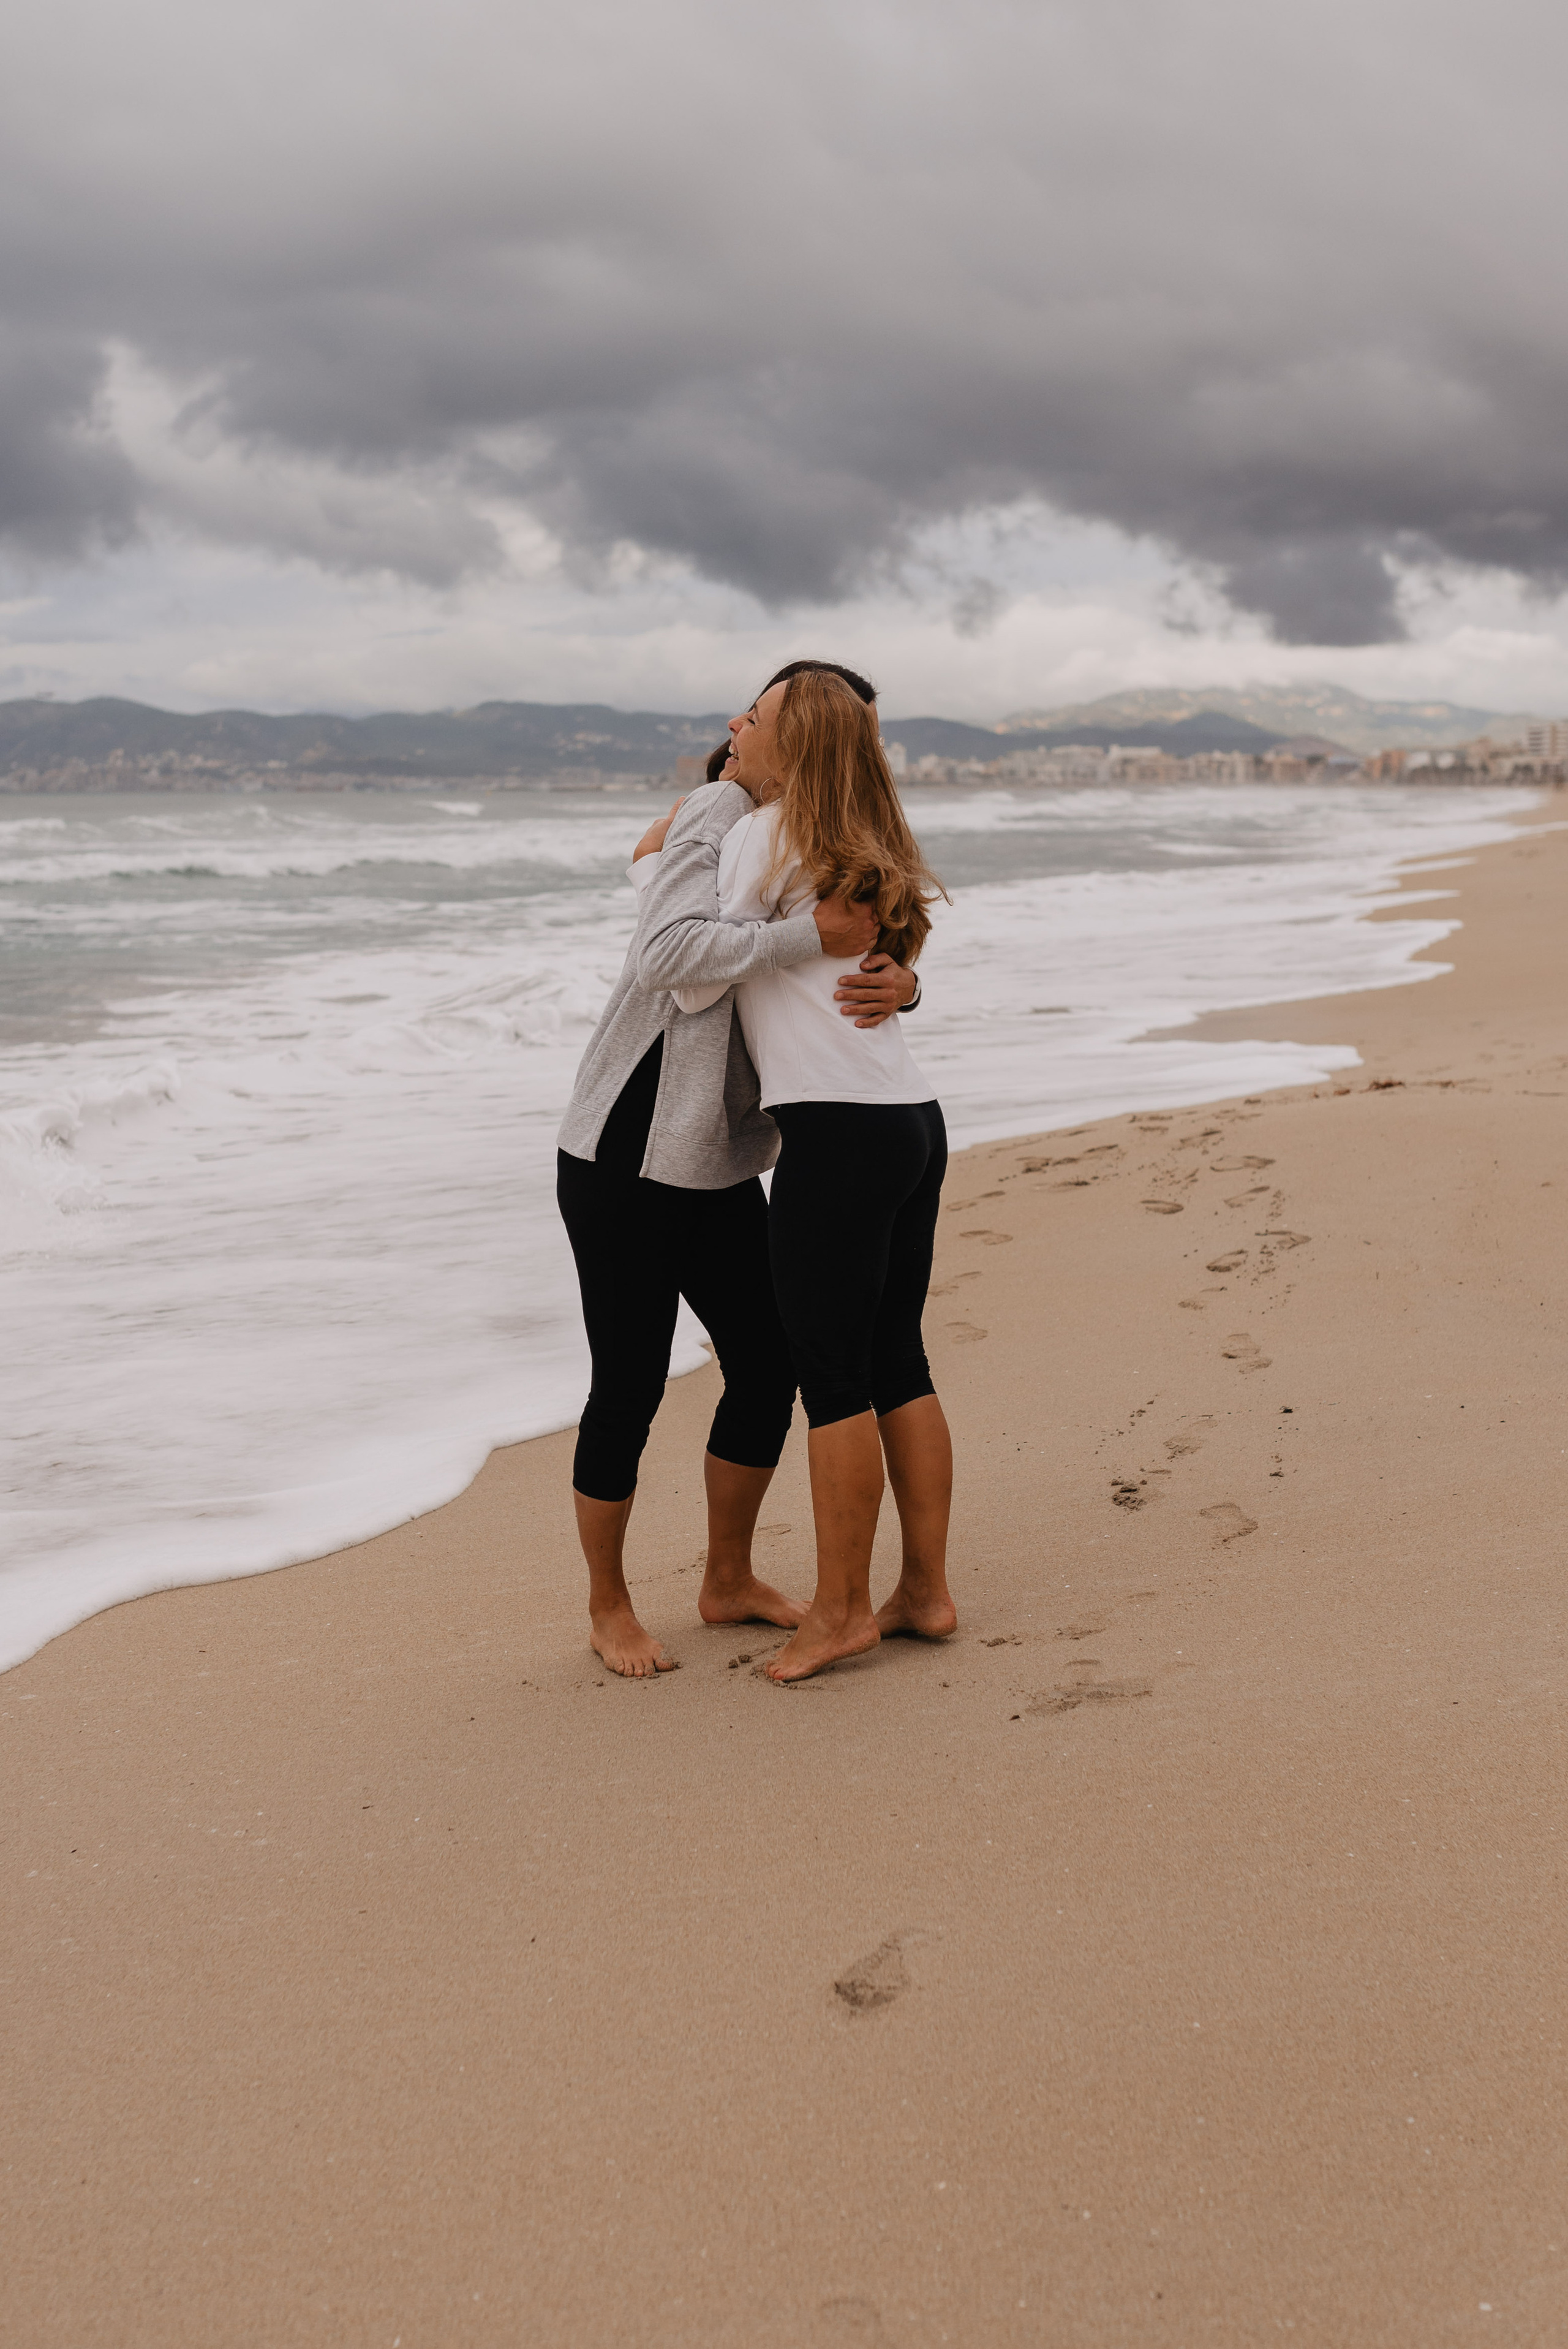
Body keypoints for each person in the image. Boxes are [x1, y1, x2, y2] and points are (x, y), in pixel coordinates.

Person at [554, 666, 920, 1677]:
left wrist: (901, 982)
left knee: (765, 1364)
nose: (731, 724)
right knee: (628, 1383)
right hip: (626, 1150)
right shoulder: (717, 810)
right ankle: (608, 1604)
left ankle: (727, 1578)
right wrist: (811, 934)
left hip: (716, 1155)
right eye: (749, 712)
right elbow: (670, 955)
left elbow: (834, 962)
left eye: (752, 715)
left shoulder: (790, 831)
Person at [671, 668, 956, 1682]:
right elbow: (874, 955)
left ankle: (838, 1613)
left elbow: (689, 965)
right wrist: (904, 981)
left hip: (836, 1136)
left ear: (793, 749)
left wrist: (660, 854)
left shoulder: (767, 834)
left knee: (832, 1377)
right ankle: (924, 1590)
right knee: (897, 1360)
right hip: (910, 1120)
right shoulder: (859, 832)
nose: (737, 728)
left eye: (756, 718)